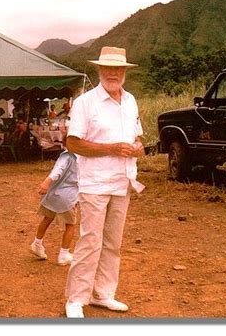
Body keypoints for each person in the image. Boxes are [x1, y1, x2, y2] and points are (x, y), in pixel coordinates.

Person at [64, 46, 145, 318]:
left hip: (123, 181)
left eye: (118, 69)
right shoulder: (85, 102)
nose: (113, 73)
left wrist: (137, 147)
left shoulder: (130, 100)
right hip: (95, 184)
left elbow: (137, 138)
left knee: (113, 242)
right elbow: (72, 143)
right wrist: (111, 148)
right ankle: (76, 299)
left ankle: (103, 294)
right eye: (108, 68)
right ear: (99, 70)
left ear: (125, 72)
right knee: (90, 240)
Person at [30, 131, 78, 266]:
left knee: (47, 218)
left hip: (54, 194)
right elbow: (58, 170)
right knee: (71, 224)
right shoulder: (72, 157)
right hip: (68, 197)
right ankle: (64, 254)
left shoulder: (66, 156)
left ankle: (37, 243)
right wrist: (47, 181)